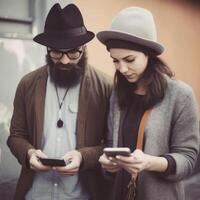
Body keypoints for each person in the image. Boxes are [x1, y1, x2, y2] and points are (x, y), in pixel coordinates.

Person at [7, 3, 112, 200]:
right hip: (35, 195)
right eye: (56, 52)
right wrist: (29, 154)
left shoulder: (106, 87)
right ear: (47, 49)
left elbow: (113, 144)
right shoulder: (27, 84)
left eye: (73, 52)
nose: (64, 60)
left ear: (84, 48)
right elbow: (15, 137)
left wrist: (83, 157)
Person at [97, 6, 199, 200]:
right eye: (115, 61)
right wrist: (108, 164)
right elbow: (111, 144)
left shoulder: (180, 95)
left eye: (129, 59)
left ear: (149, 54)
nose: (122, 69)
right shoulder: (117, 95)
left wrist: (149, 162)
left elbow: (188, 160)